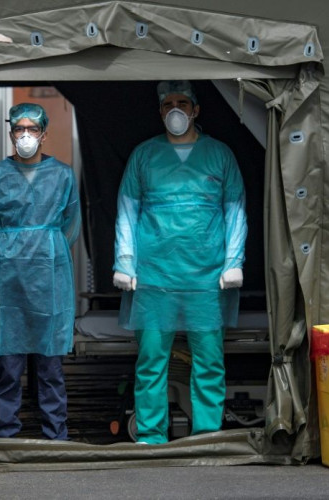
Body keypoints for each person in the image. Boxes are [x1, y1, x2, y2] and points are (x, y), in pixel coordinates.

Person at [113, 81, 247, 444]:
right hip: (155, 276)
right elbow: (127, 210)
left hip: (207, 277)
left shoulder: (220, 155)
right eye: (169, 103)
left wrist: (233, 261)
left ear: (196, 109)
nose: (176, 109)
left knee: (209, 362)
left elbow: (235, 211)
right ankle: (152, 435)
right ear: (160, 111)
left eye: (182, 102)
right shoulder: (144, 156)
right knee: (151, 362)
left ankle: (207, 434)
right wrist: (125, 261)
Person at [0, 103, 81, 440]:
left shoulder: (63, 175)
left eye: (32, 129)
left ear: (44, 134)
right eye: (19, 129)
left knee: (50, 363)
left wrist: (44, 250)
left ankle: (55, 433)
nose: (25, 135)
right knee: (8, 362)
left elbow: (70, 225)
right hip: (7, 276)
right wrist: (13, 249)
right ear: (10, 135)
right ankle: (6, 430)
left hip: (49, 276)